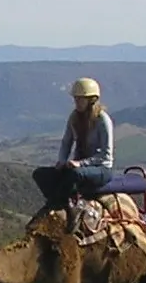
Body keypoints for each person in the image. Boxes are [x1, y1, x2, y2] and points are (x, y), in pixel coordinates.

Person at [31, 77, 115, 234]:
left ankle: (61, 207)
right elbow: (66, 142)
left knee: (75, 174)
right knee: (40, 174)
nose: (76, 102)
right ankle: (59, 203)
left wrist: (81, 164)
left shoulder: (103, 120)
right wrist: (61, 161)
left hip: (101, 169)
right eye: (75, 98)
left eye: (80, 99)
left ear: (91, 100)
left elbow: (106, 155)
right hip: (78, 166)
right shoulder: (74, 117)